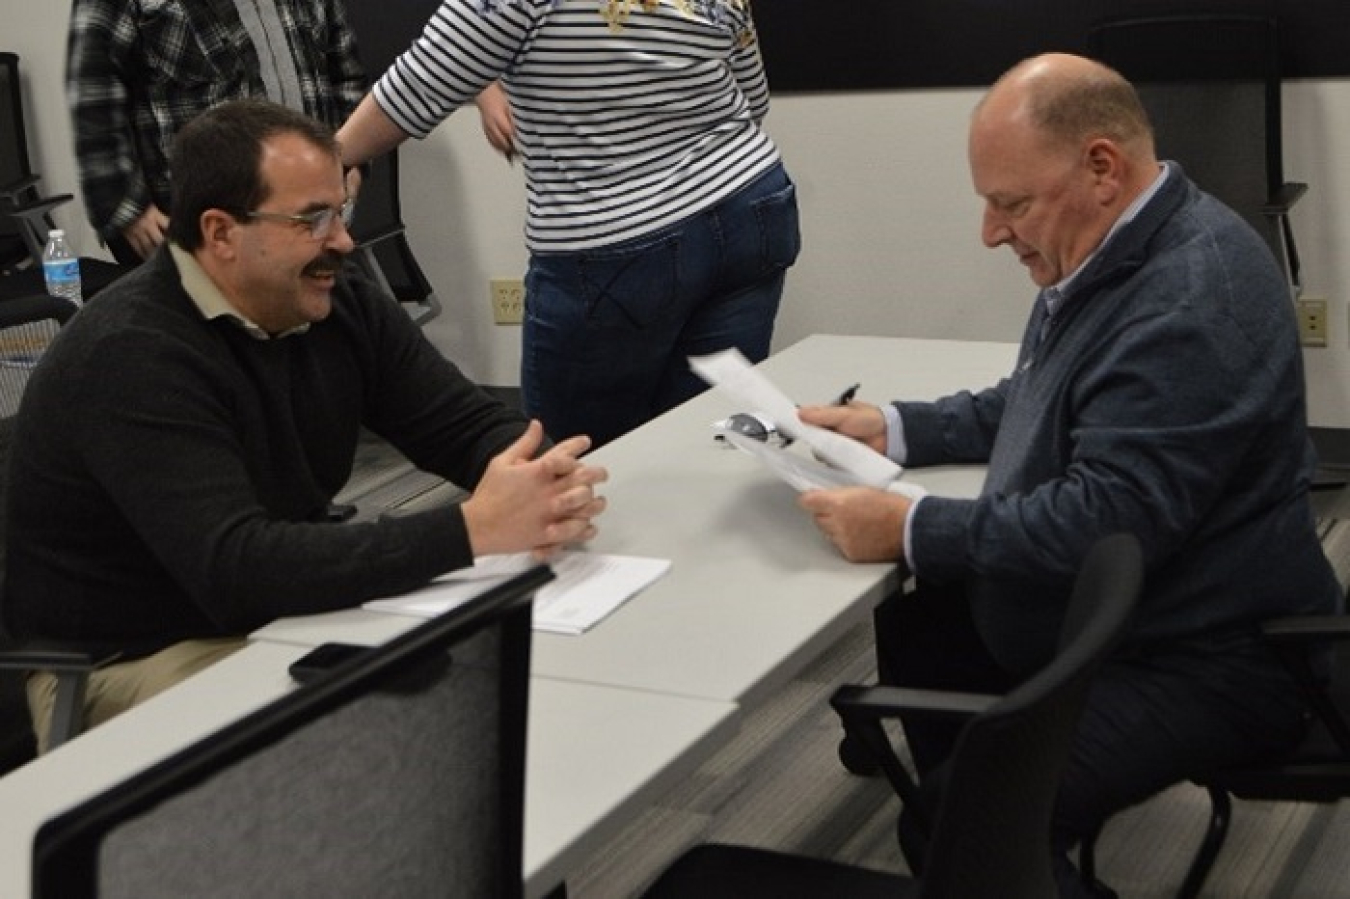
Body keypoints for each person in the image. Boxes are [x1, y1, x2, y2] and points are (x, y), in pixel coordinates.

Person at [795, 54, 1341, 897]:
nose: (989, 231)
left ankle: (989, 834)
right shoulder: (1126, 246)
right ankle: (1003, 820)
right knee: (925, 626)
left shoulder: (1189, 303)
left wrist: (907, 525)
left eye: (1009, 204)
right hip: (1151, 613)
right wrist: (898, 424)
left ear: (1101, 168)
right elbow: (1054, 391)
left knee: (961, 826)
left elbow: (1106, 522)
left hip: (1210, 654)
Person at [1, 99, 607, 752]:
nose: (343, 240)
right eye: (313, 219)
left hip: (274, 605)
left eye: (339, 210)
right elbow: (237, 568)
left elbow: (463, 426)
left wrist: (539, 476)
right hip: (128, 656)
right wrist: (474, 529)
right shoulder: (131, 353)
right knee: (382, 738)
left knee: (487, 674)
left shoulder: (331, 298)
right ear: (221, 233)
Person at [335, 0, 801, 448]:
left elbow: (416, 86)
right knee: (705, 433)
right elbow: (752, 95)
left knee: (578, 456)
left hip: (616, 238)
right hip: (751, 205)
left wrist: (325, 166)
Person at [65, 0, 369, 266]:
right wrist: (127, 211)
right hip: (201, 227)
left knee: (316, 324)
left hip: (313, 215)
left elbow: (346, 77)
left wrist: (351, 161)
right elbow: (93, 98)